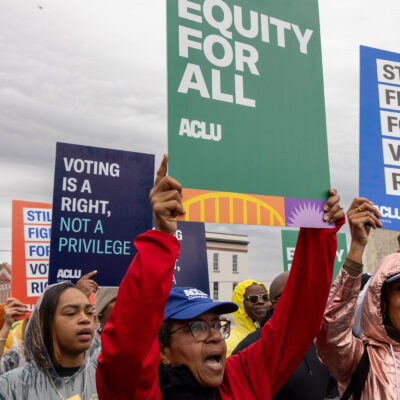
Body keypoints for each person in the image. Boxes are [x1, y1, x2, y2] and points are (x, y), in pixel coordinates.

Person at [96, 154, 345, 400]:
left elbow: (296, 323)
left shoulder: (239, 380)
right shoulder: (139, 393)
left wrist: (317, 227)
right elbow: (128, 346)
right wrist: (161, 236)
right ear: (162, 351)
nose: (215, 335)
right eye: (197, 327)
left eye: (216, 324)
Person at [314, 197, 400, 399]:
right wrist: (357, 247)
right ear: (382, 303)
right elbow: (331, 334)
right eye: (399, 288)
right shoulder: (360, 358)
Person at [232, 271, 339, 399]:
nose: (309, 299)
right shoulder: (251, 347)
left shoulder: (321, 339)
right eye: (299, 293)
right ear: (276, 302)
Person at [0, 282, 98, 399]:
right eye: (71, 313)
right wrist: (6, 326)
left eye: (89, 312)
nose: (85, 319)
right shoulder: (13, 385)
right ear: (45, 323)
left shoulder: (108, 376)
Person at [225, 279, 269, 356]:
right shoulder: (228, 339)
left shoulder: (269, 331)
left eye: (264, 297)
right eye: (253, 299)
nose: (261, 301)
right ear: (241, 302)